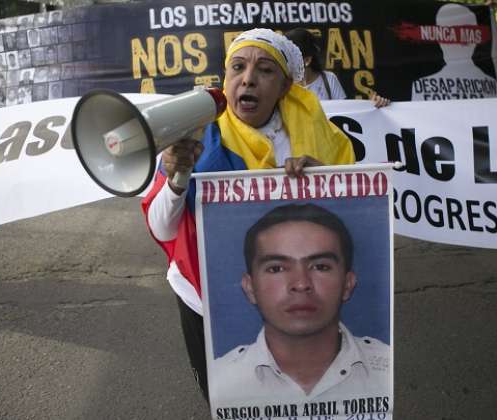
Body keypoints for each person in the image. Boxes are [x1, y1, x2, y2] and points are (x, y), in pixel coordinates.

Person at [141, 28, 356, 401]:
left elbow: (355, 219)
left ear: (286, 86)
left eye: (265, 70)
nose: (248, 79)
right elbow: (162, 227)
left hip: (288, 296)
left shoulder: (318, 135)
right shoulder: (193, 133)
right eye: (237, 67)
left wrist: (326, 182)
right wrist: (177, 175)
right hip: (203, 297)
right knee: (229, 398)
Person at [212, 203, 391, 403]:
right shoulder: (222, 379)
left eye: (320, 266)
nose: (301, 284)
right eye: (277, 269)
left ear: (348, 284)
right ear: (250, 287)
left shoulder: (387, 367)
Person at [285, 28, 389, 107]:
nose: (285, 62)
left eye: (290, 57)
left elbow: (344, 113)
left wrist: (374, 106)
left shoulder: (329, 79)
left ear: (307, 60)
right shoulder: (281, 85)